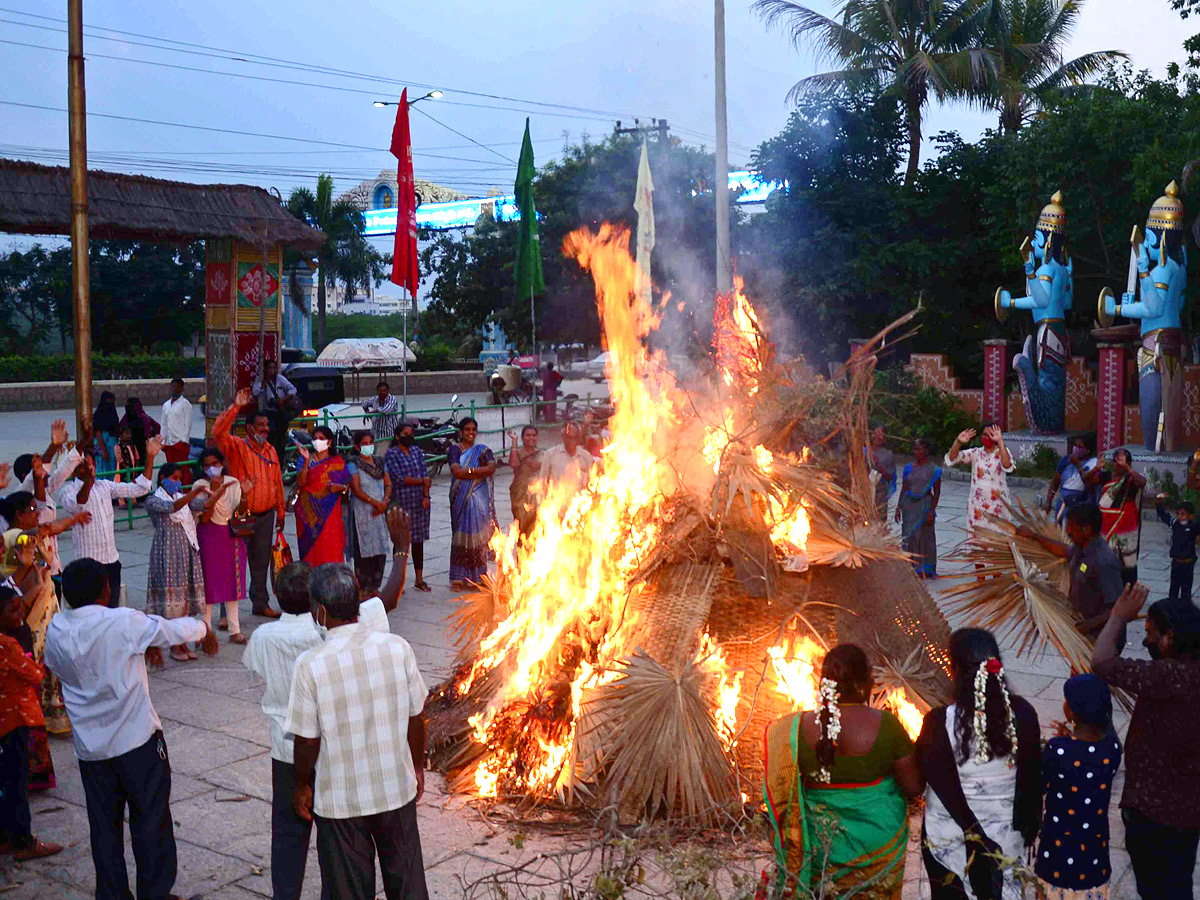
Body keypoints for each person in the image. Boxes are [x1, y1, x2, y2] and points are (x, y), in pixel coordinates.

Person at [243, 512, 411, 900]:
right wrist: (400, 549)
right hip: (333, 752)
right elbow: (389, 598)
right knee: (335, 840)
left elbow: (257, 673)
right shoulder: (333, 624)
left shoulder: (264, 638)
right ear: (318, 599)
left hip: (287, 753)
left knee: (288, 835)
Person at [44, 558, 218, 900]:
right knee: (150, 820)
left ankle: (112, 894)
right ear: (106, 590)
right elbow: (169, 630)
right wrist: (203, 628)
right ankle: (154, 893)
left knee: (104, 828)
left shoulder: (57, 629)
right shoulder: (122, 622)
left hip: (91, 749)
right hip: (136, 741)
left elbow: (58, 667)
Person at [285, 563, 429, 900]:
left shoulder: (311, 664)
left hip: (341, 800)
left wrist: (301, 785)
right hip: (395, 789)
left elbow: (307, 740)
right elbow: (416, 717)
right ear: (359, 601)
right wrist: (417, 766)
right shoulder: (398, 648)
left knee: (347, 890)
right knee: (408, 885)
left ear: (319, 611)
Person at [763, 644, 921, 898]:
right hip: (877, 842)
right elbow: (913, 787)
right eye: (870, 676)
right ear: (862, 684)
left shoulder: (794, 727)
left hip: (820, 847)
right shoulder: (888, 725)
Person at [1093, 585, 1200, 899]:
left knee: (1156, 887)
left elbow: (1101, 662)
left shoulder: (1169, 675)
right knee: (1178, 880)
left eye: (1152, 634)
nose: (1146, 640)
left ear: (1170, 637)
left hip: (1154, 813)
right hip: (1189, 810)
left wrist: (1116, 618)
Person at [917, 629, 1041, 900]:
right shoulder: (1023, 714)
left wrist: (974, 831)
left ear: (955, 670)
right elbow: (1033, 782)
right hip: (1005, 841)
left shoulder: (938, 723)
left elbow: (928, 780)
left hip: (950, 842)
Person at [1, 490, 88, 739]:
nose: (37, 513)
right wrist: (67, 522)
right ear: (18, 515)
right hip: (32, 606)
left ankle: (50, 714)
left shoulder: (21, 536)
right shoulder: (20, 537)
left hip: (41, 602)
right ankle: (46, 715)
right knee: (42, 657)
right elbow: (46, 531)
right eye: (31, 509)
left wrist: (72, 520)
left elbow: (50, 528)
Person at [1036, 673, 1121, 899]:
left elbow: (1040, 785)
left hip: (1058, 850)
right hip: (1094, 852)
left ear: (1071, 712)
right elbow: (1085, 759)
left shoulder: (1057, 749)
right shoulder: (1112, 749)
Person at [59, 436, 162, 604]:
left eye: (90, 464)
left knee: (111, 611)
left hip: (111, 561)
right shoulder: (68, 490)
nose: (88, 468)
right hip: (88, 564)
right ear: (74, 469)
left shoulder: (104, 486)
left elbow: (139, 488)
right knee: (90, 612)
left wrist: (150, 457)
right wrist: (88, 482)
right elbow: (78, 504)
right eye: (83, 465)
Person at [0, 587, 62, 861]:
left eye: (20, 606)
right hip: (15, 720)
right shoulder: (8, 645)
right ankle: (23, 840)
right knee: (16, 782)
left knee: (6, 780)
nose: (21, 613)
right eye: (13, 610)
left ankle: (5, 836)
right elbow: (35, 674)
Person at [214, 389, 287, 619]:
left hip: (266, 515)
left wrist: (281, 510)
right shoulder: (236, 447)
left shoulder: (271, 451)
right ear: (250, 429)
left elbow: (277, 483)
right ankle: (226, 613)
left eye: (267, 425)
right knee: (234, 561)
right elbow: (218, 432)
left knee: (261, 561)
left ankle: (260, 603)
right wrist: (236, 406)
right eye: (261, 425)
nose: (265, 429)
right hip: (242, 512)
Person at [1021, 503, 1126, 645]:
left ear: (1087, 529)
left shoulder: (1104, 561)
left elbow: (1118, 607)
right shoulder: (1081, 547)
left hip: (1102, 638)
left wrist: (1090, 624)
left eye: (1072, 527)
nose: (1068, 532)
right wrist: (1034, 536)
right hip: (1083, 633)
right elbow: (1063, 550)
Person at [145, 462, 209, 662]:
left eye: (179, 478)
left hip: (185, 551)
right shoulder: (153, 500)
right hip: (167, 554)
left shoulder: (182, 497)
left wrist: (219, 489)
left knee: (185, 601)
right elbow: (173, 507)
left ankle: (183, 642)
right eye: (174, 478)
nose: (177, 482)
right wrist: (192, 493)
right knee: (172, 601)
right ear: (162, 478)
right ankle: (174, 646)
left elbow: (203, 505)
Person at [193, 448, 252, 643]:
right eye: (208, 465)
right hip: (209, 537)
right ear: (203, 468)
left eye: (216, 464)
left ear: (222, 463)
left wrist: (244, 494)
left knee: (232, 583)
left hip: (230, 536)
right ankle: (206, 632)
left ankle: (235, 631)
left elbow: (240, 512)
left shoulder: (233, 483)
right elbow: (205, 517)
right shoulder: (200, 486)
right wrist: (215, 490)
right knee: (209, 585)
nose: (212, 468)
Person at [447, 417, 497, 590]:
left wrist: (469, 471)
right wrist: (478, 472)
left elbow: (491, 467)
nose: (470, 433)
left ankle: (480, 575)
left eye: (473, 430)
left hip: (479, 499)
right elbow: (455, 472)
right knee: (461, 535)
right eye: (467, 429)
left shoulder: (482, 450)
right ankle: (458, 578)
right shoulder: (454, 450)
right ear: (461, 432)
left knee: (479, 536)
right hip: (460, 498)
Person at [294, 426, 352, 566]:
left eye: (321, 439)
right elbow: (301, 483)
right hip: (309, 517)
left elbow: (347, 487)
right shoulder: (306, 460)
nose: (317, 441)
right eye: (315, 438)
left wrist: (341, 488)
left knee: (331, 551)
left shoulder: (337, 462)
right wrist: (307, 461)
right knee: (312, 554)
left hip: (331, 515)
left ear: (330, 442)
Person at [384, 423, 431, 592]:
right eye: (405, 434)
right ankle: (398, 582)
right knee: (400, 542)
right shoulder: (392, 454)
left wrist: (426, 495)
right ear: (397, 437)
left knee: (418, 541)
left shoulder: (417, 452)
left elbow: (426, 474)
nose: (409, 436)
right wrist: (421, 481)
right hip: (401, 502)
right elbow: (398, 478)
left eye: (411, 433)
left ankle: (419, 579)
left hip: (419, 502)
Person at [345, 431, 391, 596]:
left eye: (370, 442)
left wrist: (384, 501)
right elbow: (356, 489)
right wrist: (375, 503)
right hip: (362, 512)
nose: (368, 446)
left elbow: (388, 483)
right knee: (363, 550)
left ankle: (375, 586)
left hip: (379, 511)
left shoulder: (379, 462)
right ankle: (363, 587)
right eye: (364, 443)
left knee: (379, 547)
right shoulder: (353, 464)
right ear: (357, 447)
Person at [945, 425, 1014, 532]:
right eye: (984, 435)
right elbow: (952, 458)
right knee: (976, 541)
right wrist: (958, 442)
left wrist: (1001, 443)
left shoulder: (1002, 452)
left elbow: (1007, 466)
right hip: (977, 508)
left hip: (998, 507)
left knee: (998, 542)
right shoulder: (976, 453)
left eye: (991, 435)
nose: (987, 438)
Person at [1100, 448, 1146, 587]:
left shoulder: (1131, 479)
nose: (1117, 464)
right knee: (1108, 564)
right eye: (1116, 461)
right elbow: (1087, 480)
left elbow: (1142, 482)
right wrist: (1096, 468)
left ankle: (1129, 595)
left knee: (1128, 566)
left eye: (1122, 462)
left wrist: (1127, 468)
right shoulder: (1107, 477)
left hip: (1126, 530)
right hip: (1107, 529)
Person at [896, 437, 941, 578]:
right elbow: (904, 488)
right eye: (915, 449)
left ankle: (925, 568)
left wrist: (932, 510)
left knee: (924, 536)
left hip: (924, 505)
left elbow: (937, 492)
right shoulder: (909, 468)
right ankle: (910, 566)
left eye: (920, 449)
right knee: (909, 536)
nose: (917, 452)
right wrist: (898, 506)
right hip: (909, 506)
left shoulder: (934, 470)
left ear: (926, 450)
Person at [1047, 436, 1103, 525]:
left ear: (1088, 450)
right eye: (1075, 446)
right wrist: (1048, 501)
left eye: (1080, 447)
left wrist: (1077, 464)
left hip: (1081, 503)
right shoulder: (1065, 460)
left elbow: (1089, 484)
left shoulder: (1094, 463)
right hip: (1063, 502)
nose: (1076, 449)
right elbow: (1055, 481)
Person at [1156, 495, 1200, 603]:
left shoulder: (1194, 526)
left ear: (1190, 516)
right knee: (1173, 588)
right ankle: (1172, 610)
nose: (1180, 517)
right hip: (1176, 562)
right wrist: (1159, 503)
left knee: (1186, 590)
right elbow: (1164, 515)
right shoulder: (1175, 524)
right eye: (1179, 514)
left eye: (1183, 514)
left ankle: (1186, 611)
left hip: (1188, 564)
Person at [252, 359, 299, 461]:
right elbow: (255, 392)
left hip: (280, 413)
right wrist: (263, 383)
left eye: (274, 368)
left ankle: (280, 462)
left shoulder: (280, 379)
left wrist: (285, 399)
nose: (272, 370)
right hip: (269, 413)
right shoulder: (261, 380)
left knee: (281, 441)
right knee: (270, 439)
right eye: (270, 368)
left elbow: (292, 389)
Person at [538, 421, 594, 499]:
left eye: (575, 437)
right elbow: (542, 482)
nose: (572, 441)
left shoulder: (586, 457)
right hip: (555, 505)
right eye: (569, 437)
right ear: (563, 437)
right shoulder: (550, 454)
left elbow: (592, 483)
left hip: (579, 506)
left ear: (579, 438)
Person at [508, 425, 543, 538]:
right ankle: (521, 554)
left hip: (537, 496)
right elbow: (514, 464)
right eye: (528, 435)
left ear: (537, 438)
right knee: (522, 530)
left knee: (536, 529)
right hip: (520, 496)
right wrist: (514, 442)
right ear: (522, 438)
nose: (531, 438)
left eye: (534, 435)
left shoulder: (543, 454)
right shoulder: (517, 453)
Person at [160, 377, 193, 486]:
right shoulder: (166, 405)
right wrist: (163, 441)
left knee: (183, 468)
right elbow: (163, 424)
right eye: (173, 386)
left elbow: (188, 424)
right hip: (169, 443)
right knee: (171, 469)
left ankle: (186, 490)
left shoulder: (185, 404)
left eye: (178, 387)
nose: (175, 389)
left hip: (180, 443)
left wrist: (183, 441)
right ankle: (173, 490)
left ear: (181, 389)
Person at [867, 425, 897, 521]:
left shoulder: (888, 455)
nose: (877, 437)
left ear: (884, 438)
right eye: (875, 434)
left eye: (880, 435)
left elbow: (890, 477)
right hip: (865, 494)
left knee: (879, 521)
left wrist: (879, 466)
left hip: (880, 495)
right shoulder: (864, 451)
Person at [362, 381, 400, 455]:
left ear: (388, 391)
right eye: (380, 391)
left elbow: (385, 410)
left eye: (384, 390)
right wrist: (368, 413)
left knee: (380, 456)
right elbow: (364, 403)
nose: (382, 392)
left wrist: (371, 413)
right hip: (375, 434)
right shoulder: (375, 399)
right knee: (368, 455)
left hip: (388, 435)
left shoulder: (392, 399)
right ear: (377, 391)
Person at [118, 397, 160, 464]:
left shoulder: (126, 418)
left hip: (130, 447)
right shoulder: (144, 417)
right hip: (140, 446)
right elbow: (157, 427)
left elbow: (119, 430)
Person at [93, 391, 121, 473]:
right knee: (101, 468)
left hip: (112, 447)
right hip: (102, 445)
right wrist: (103, 449)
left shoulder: (113, 414)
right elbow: (97, 432)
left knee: (113, 468)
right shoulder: (98, 415)